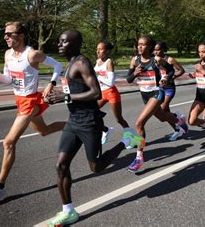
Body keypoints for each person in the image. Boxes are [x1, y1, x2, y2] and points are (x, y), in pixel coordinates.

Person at [45, 30, 145, 226]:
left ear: (75, 44)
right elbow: (75, 89)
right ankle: (69, 211)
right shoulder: (70, 63)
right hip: (74, 120)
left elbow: (95, 92)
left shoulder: (82, 62)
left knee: (96, 167)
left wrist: (64, 97)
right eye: (59, 41)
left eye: (64, 42)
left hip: (89, 121)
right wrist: (57, 94)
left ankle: (126, 142)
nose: (59, 44)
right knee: (61, 165)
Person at [0, 22, 65, 201]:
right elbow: (9, 80)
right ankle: (75, 125)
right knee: (43, 131)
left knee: (8, 142)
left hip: (30, 102)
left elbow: (58, 66)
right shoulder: (8, 54)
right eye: (4, 34)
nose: (5, 37)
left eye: (9, 34)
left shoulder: (32, 54)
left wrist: (51, 84)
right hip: (19, 100)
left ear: (21, 36)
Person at [126, 36, 187, 173]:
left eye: (143, 45)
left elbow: (171, 70)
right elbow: (129, 79)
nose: (140, 47)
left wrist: (166, 78)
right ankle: (178, 120)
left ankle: (139, 157)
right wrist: (135, 73)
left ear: (150, 47)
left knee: (139, 123)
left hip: (156, 93)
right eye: (139, 44)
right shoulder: (134, 60)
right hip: (144, 95)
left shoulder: (157, 60)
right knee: (162, 117)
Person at [94, 41, 130, 145]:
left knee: (119, 119)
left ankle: (131, 138)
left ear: (108, 51)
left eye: (101, 49)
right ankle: (106, 130)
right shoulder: (97, 61)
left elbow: (110, 82)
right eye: (97, 49)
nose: (98, 51)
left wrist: (97, 76)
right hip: (101, 93)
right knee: (91, 113)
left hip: (111, 93)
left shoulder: (109, 62)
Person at [153, 41, 188, 137]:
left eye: (158, 50)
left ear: (164, 50)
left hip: (169, 88)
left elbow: (181, 70)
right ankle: (177, 128)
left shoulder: (170, 59)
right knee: (165, 113)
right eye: (154, 50)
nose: (156, 52)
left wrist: (172, 77)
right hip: (160, 88)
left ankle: (178, 119)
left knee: (163, 108)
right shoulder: (154, 60)